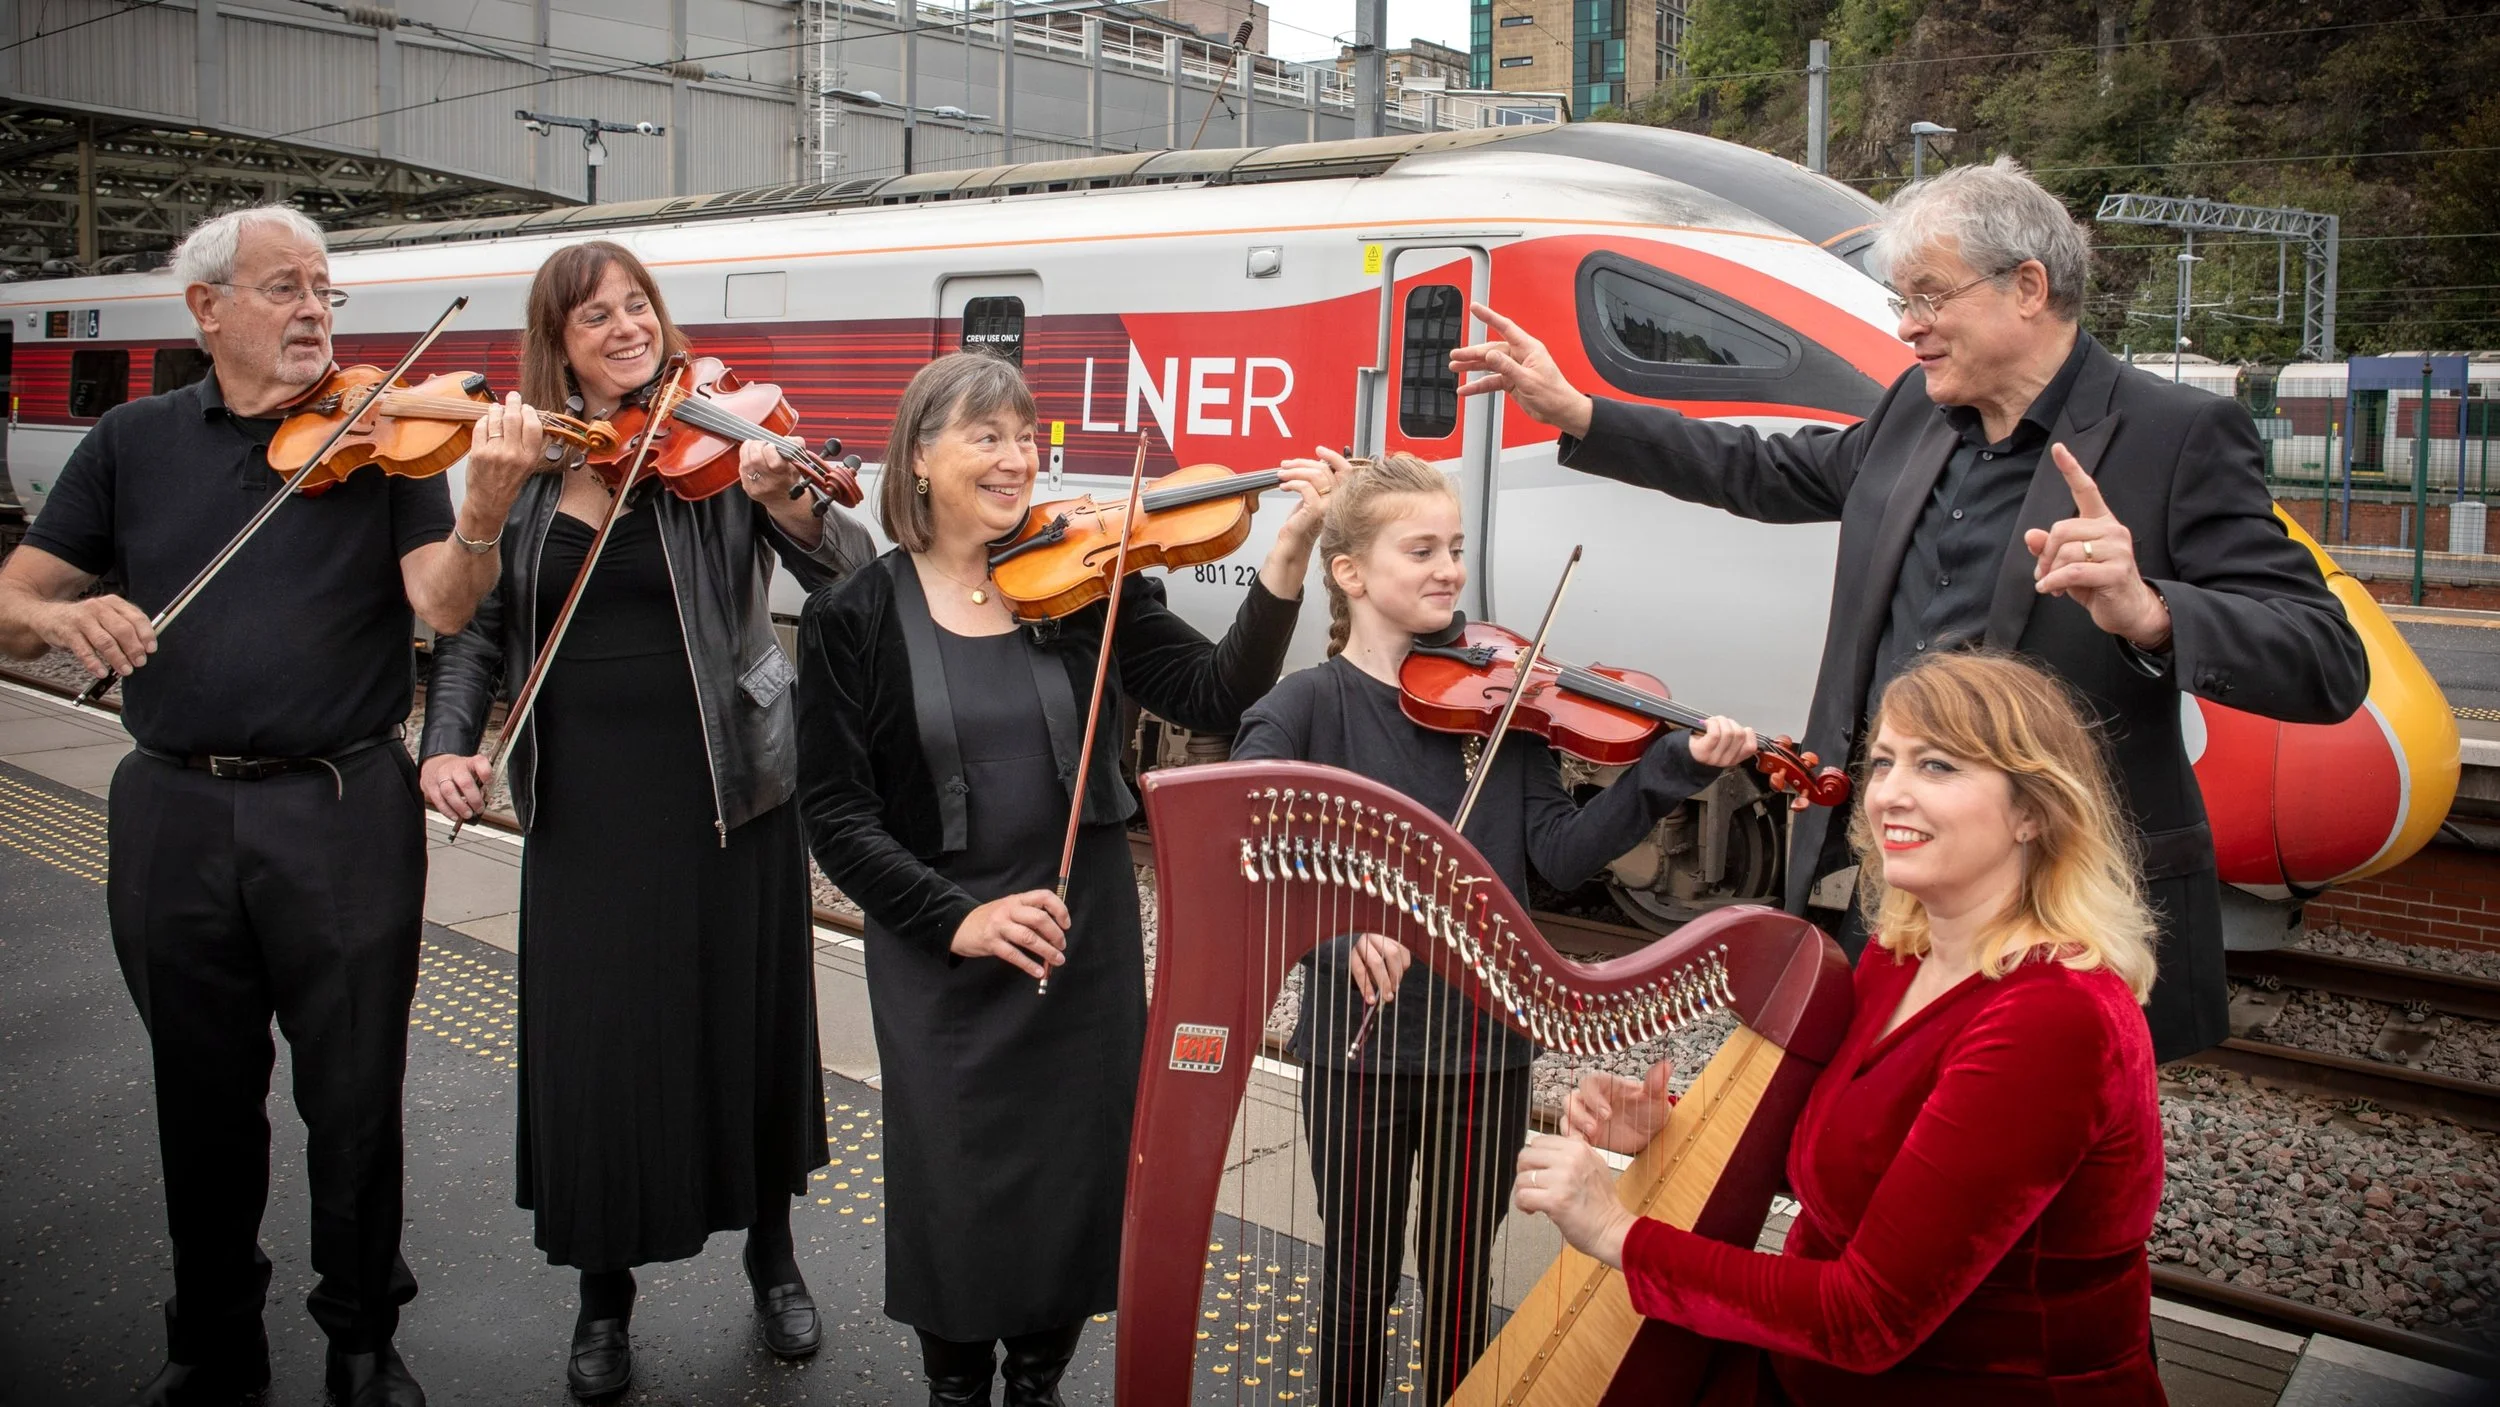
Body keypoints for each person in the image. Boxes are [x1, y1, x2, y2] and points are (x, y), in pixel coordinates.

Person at [1452, 156, 2368, 1063]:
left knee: (2019, 1177)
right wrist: (1580, 413)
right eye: (1901, 301)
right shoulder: (1915, 415)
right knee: (1864, 1138)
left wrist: (2152, 611)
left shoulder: (2176, 436)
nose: (1908, 327)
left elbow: (2327, 662)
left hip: (2057, 906)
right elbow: (1764, 469)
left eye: (1927, 298)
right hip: (1896, 890)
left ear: (2027, 287)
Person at [0, 206, 535, 1406]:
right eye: (286, 288)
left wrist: (486, 511)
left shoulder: (381, 437)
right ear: (207, 311)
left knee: (353, 1092)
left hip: (342, 807)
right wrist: (57, 619)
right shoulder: (130, 442)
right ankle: (212, 1335)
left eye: (326, 291)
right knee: (199, 1094)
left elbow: (446, 610)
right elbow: (9, 600)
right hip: (170, 812)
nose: (314, 312)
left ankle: (359, 1332)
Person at [793, 352, 1335, 1406]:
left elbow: (1211, 690)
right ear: (918, 458)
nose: (1016, 458)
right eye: (985, 436)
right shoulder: (851, 615)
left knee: (1075, 1177)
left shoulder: (1087, 579)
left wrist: (1286, 559)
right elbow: (837, 817)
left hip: (1077, 936)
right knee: (954, 1182)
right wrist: (958, 920)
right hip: (943, 949)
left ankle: (1039, 1379)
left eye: (1026, 435)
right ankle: (956, 1384)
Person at [417, 240, 875, 1399]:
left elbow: (853, 586)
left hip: (731, 794)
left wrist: (795, 505)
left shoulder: (727, 440)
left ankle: (772, 1260)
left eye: (638, 307)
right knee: (601, 1054)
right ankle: (603, 1294)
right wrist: (448, 743)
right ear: (555, 346)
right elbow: (470, 629)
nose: (624, 328)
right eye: (593, 318)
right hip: (590, 806)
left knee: (744, 1030)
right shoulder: (515, 461)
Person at [1227, 450, 1761, 1405]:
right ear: (1349, 572)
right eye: (1421, 548)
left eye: (1458, 548)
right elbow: (1259, 852)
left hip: (1485, 1047)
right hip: (1359, 1058)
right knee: (1356, 1282)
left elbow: (1557, 855)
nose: (1448, 569)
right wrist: (1342, 935)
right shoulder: (1302, 709)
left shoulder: (1504, 709)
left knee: (1462, 1289)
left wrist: (1665, 769)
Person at [1518, 649, 2168, 1406]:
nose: (1890, 792)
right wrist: (1664, 1127)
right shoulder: (1900, 957)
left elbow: (1866, 1320)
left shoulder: (2053, 1019)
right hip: (1814, 1375)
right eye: (1886, 761)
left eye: (1938, 766)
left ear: (2033, 810)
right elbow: (1848, 1155)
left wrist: (1613, 1231)